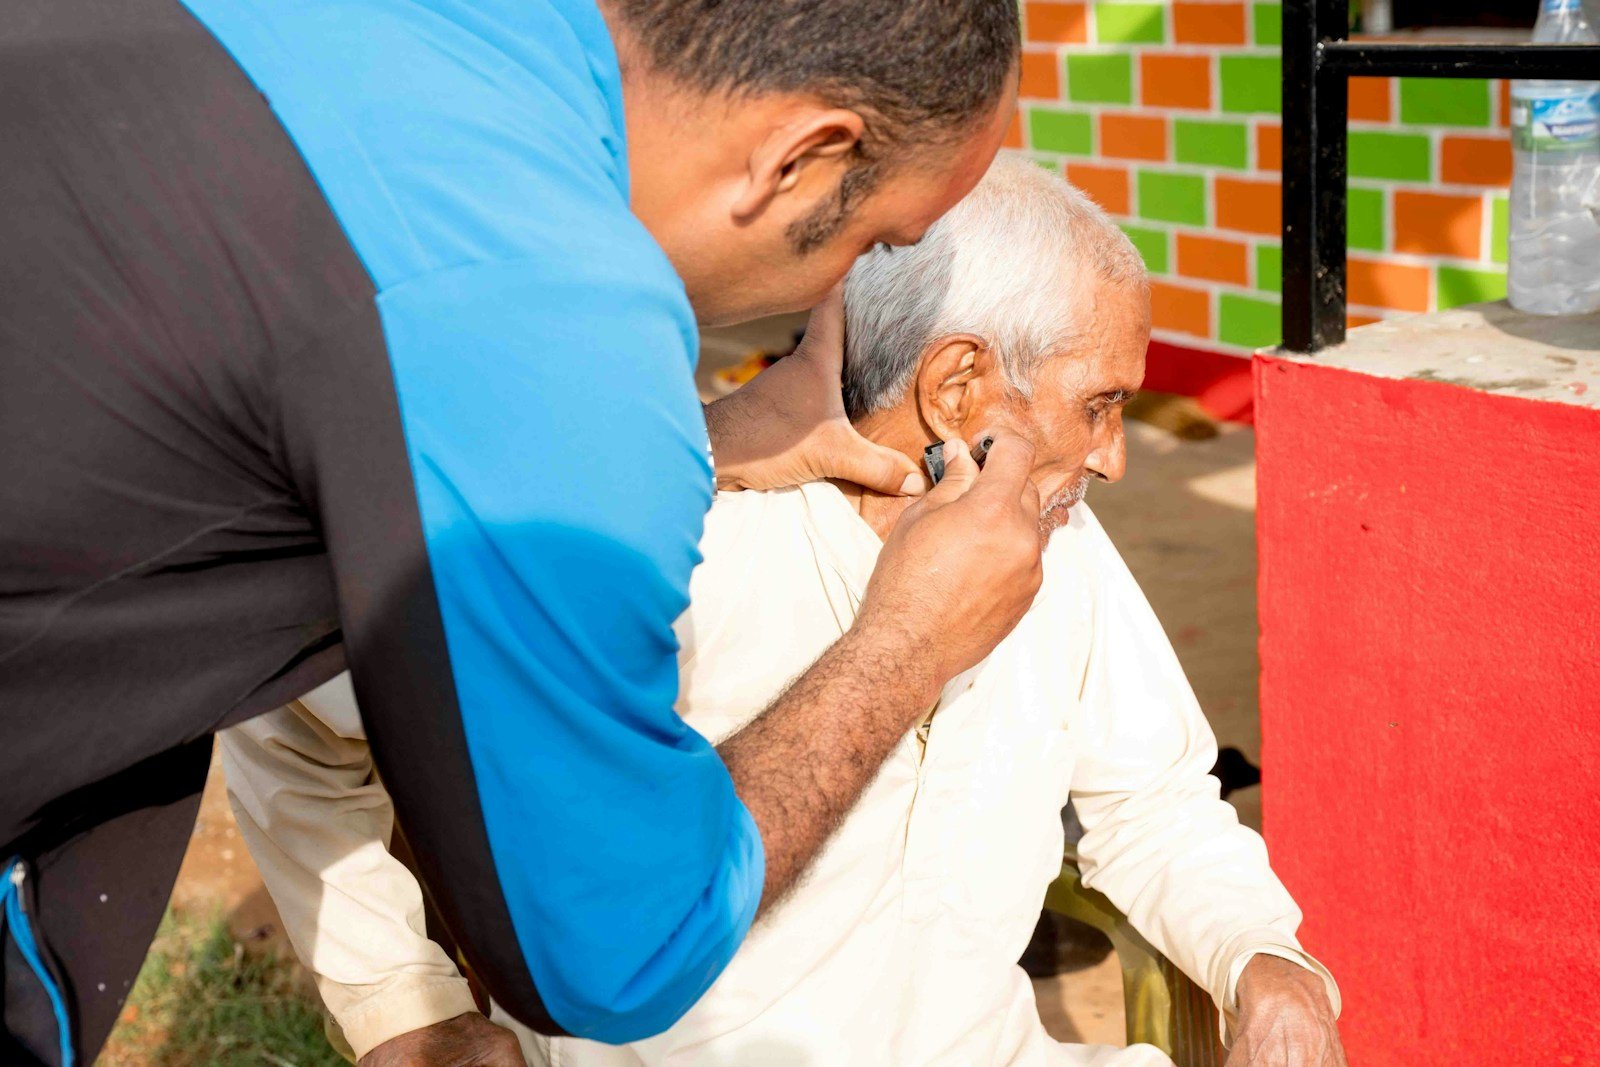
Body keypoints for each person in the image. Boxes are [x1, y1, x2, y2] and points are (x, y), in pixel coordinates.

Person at [0, 1, 1038, 1063]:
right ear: (802, 159)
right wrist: (908, 638)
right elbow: (607, 945)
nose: (848, 284)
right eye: (876, 242)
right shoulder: (550, 317)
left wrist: (692, 440)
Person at [223, 158, 1347, 1066]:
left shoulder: (1056, 541)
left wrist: (1266, 961)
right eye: (1098, 405)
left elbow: (1153, 803)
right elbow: (291, 716)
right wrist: (401, 1007)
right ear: (956, 388)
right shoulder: (674, 538)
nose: (1112, 456)